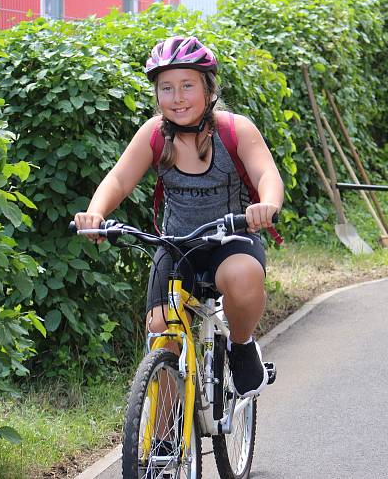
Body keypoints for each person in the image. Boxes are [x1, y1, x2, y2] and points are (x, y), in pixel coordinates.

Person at [73, 35, 284, 397]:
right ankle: (166, 444)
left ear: (208, 88)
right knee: (162, 332)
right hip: (175, 246)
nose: (178, 97)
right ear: (157, 95)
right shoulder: (154, 134)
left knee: (244, 277)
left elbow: (267, 174)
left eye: (188, 86)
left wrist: (267, 203)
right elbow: (120, 179)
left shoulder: (235, 130)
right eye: (167, 88)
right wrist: (95, 213)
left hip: (229, 239)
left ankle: (241, 345)